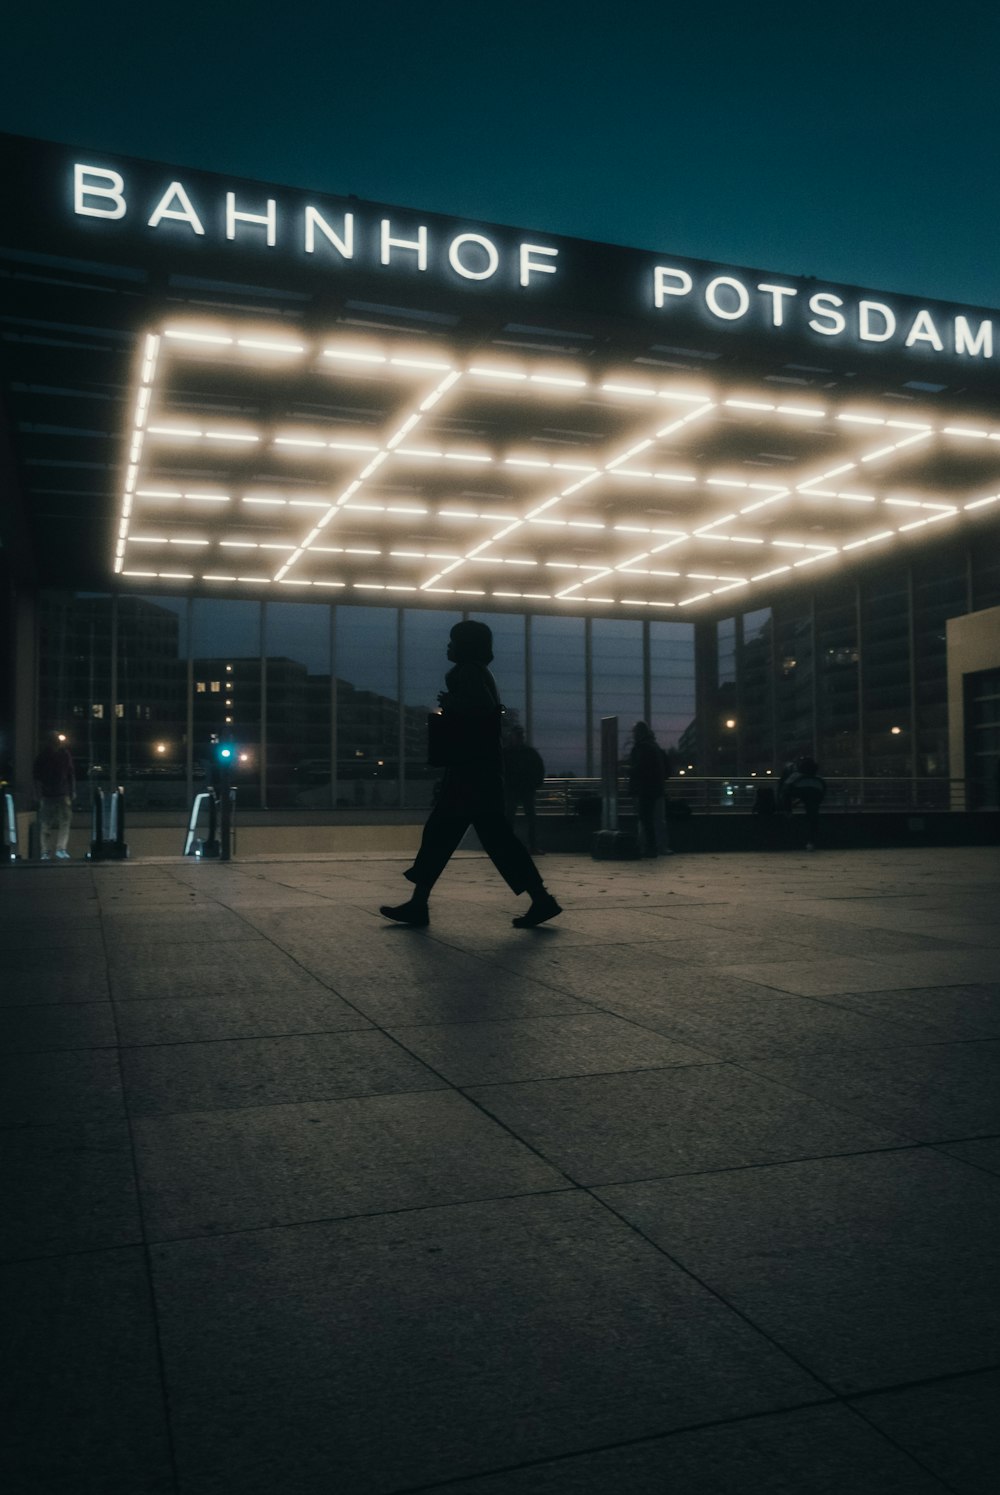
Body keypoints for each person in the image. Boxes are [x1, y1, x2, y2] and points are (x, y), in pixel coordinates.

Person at [380, 621, 561, 929]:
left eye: (453, 641)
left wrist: (452, 704)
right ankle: (539, 898)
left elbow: (480, 712)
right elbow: (488, 715)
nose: (447, 647)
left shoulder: (469, 673)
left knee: (447, 834)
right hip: (480, 773)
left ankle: (419, 904)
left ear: (466, 645)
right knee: (479, 837)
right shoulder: (477, 673)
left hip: (470, 775)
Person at [628, 721, 669, 857]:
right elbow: (667, 769)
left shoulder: (641, 748)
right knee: (658, 819)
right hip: (658, 788)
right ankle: (661, 847)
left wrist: (628, 770)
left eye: (634, 733)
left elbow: (640, 768)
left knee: (645, 819)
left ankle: (646, 847)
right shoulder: (656, 747)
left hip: (644, 789)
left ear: (638, 733)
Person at [503, 725, 546, 854]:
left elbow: (539, 769)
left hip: (519, 789)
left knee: (516, 818)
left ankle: (514, 846)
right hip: (519, 789)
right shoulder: (528, 753)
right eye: (518, 735)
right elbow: (539, 769)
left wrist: (535, 784)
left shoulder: (507, 753)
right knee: (522, 818)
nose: (520, 738)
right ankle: (529, 846)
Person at [33, 731, 76, 861]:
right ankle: (60, 849)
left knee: (46, 824)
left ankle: (46, 852)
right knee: (63, 822)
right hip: (60, 793)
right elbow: (70, 774)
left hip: (49, 794)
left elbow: (36, 777)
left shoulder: (43, 756)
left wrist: (37, 794)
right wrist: (72, 790)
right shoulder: (64, 755)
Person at [783, 755, 827, 850]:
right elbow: (811, 792)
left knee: (786, 794)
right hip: (817, 791)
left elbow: (786, 788)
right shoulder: (817, 778)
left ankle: (788, 813)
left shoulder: (795, 775)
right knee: (813, 817)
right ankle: (811, 842)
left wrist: (788, 806)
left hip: (801, 790)